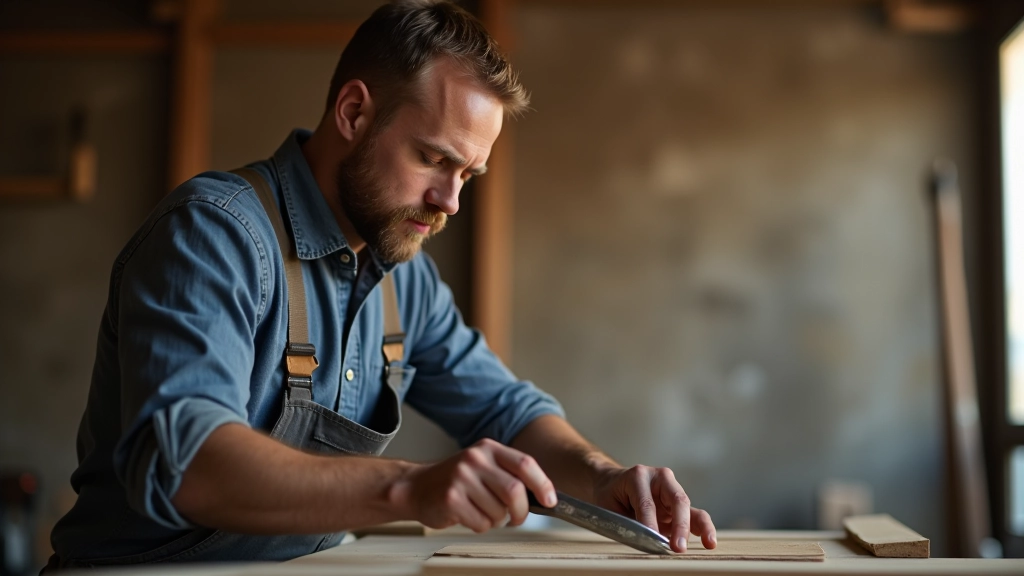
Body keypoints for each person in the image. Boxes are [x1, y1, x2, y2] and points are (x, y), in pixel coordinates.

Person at [45, 0, 716, 568]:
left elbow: (506, 412)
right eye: (433, 159)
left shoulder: (405, 278)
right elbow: (185, 458)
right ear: (354, 113)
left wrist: (602, 478)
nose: (450, 201)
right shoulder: (215, 234)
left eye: (468, 176)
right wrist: (408, 490)